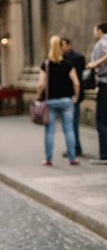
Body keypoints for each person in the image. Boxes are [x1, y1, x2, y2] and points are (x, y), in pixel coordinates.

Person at [37, 35, 80, 166]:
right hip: (67, 101)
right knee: (69, 130)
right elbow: (76, 83)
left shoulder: (46, 64)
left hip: (50, 101)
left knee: (50, 131)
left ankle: (48, 159)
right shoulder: (68, 64)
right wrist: (76, 97)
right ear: (61, 47)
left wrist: (39, 97)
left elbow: (40, 84)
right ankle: (72, 158)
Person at [60, 38, 85, 157]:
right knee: (69, 124)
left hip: (73, 94)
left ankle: (75, 149)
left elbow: (78, 79)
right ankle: (75, 147)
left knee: (71, 124)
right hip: (66, 94)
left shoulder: (77, 58)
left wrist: (77, 95)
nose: (62, 48)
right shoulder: (62, 58)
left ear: (69, 45)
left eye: (63, 45)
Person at [87, 22, 107, 165]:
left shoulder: (103, 42)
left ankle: (104, 154)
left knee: (102, 119)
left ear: (99, 30)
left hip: (105, 84)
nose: (94, 33)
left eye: (95, 30)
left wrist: (95, 64)